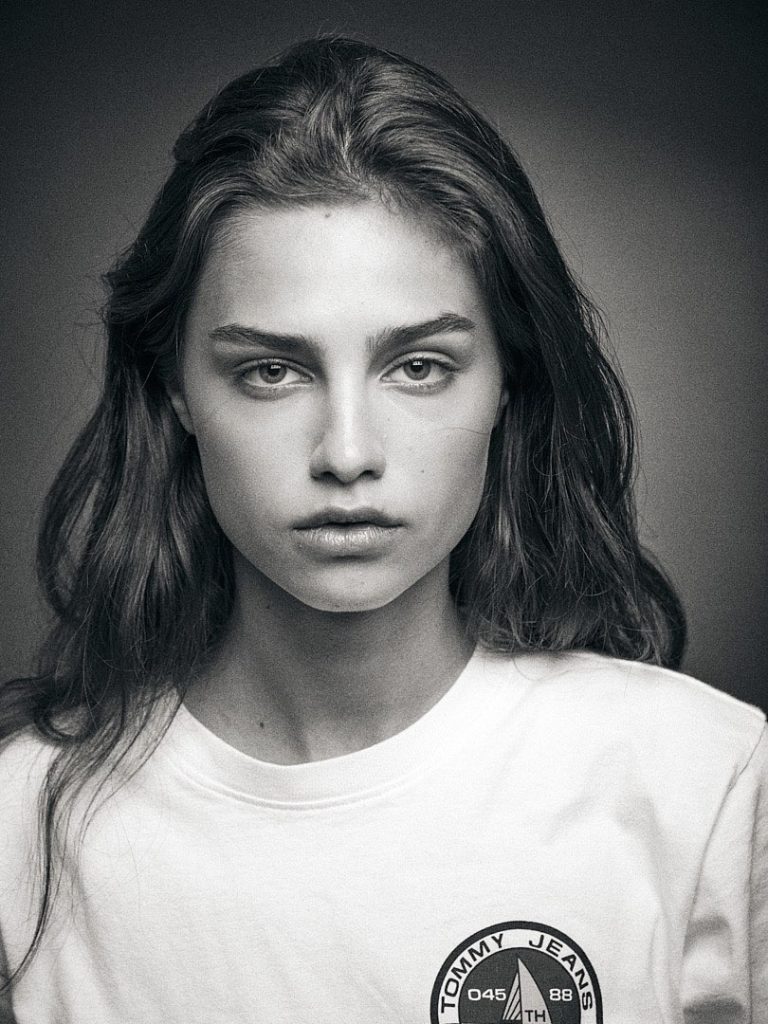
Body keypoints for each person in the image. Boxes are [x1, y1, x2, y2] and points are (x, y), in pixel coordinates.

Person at [0, 35, 765, 1024]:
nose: (347, 453)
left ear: (510, 383)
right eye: (272, 370)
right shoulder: (23, 827)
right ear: (177, 392)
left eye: (420, 366)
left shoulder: (708, 787)